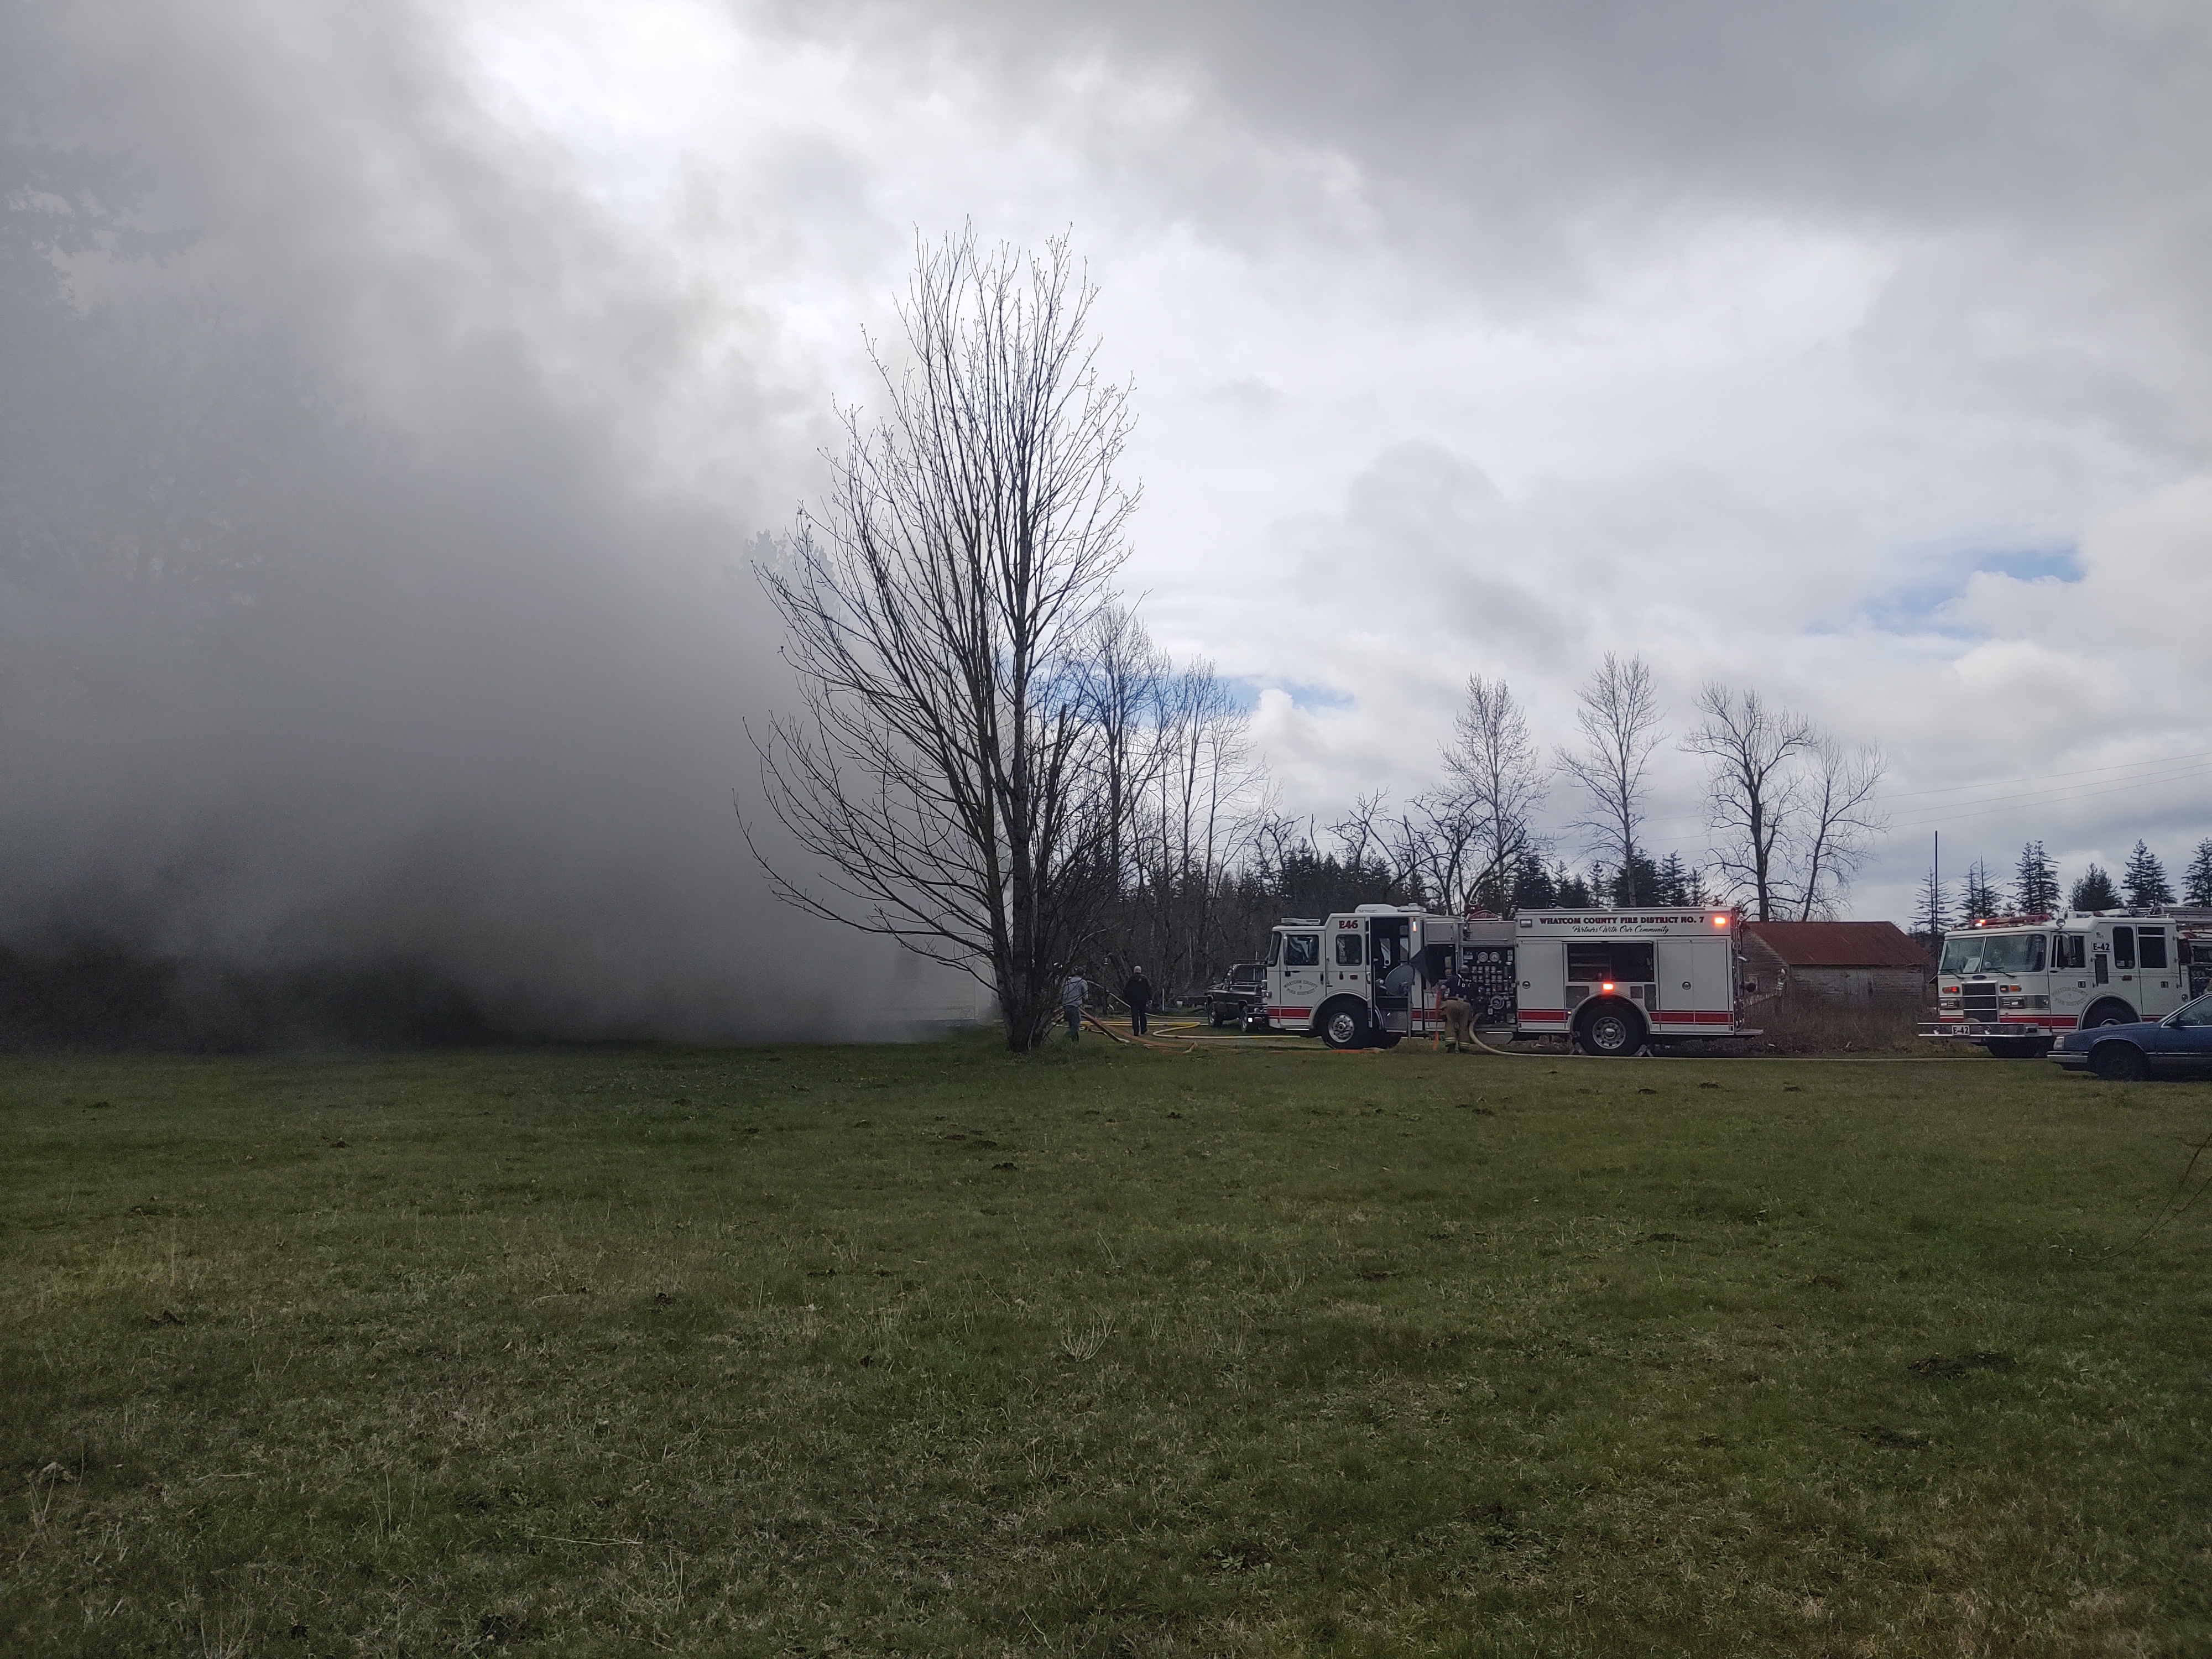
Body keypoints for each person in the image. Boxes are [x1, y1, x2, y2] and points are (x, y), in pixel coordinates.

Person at [1439, 970, 1476, 1053]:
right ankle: (1464, 1048)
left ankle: (1451, 1047)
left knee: (1450, 1023)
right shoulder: (1472, 983)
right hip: (1466, 1004)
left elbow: (1443, 988)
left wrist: (1442, 998)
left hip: (1452, 1002)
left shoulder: (1454, 979)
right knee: (1464, 1026)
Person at [1123, 966, 1152, 1036]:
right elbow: (1149, 988)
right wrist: (1150, 998)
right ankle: (1143, 1029)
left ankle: (1136, 1031)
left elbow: (1126, 990)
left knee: (1135, 1015)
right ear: (1140, 971)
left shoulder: (1131, 979)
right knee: (1142, 1014)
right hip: (1143, 999)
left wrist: (1126, 999)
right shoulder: (1144, 979)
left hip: (1133, 1000)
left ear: (1134, 971)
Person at [1061, 971, 1088, 1041]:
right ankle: (1065, 1038)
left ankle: (1075, 1043)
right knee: (1076, 1026)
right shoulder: (1082, 982)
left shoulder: (1069, 981)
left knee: (1072, 1025)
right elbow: (1086, 996)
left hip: (1066, 1005)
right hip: (1075, 1005)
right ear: (1083, 974)